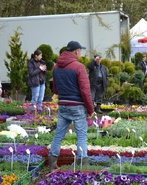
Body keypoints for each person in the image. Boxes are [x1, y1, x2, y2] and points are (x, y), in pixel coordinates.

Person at [49, 41, 94, 172]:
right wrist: (90, 109)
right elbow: (85, 91)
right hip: (77, 106)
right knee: (81, 136)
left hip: (63, 105)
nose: (80, 53)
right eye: (80, 51)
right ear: (76, 51)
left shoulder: (56, 67)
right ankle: (83, 166)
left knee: (59, 135)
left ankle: (52, 163)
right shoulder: (79, 67)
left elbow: (55, 89)